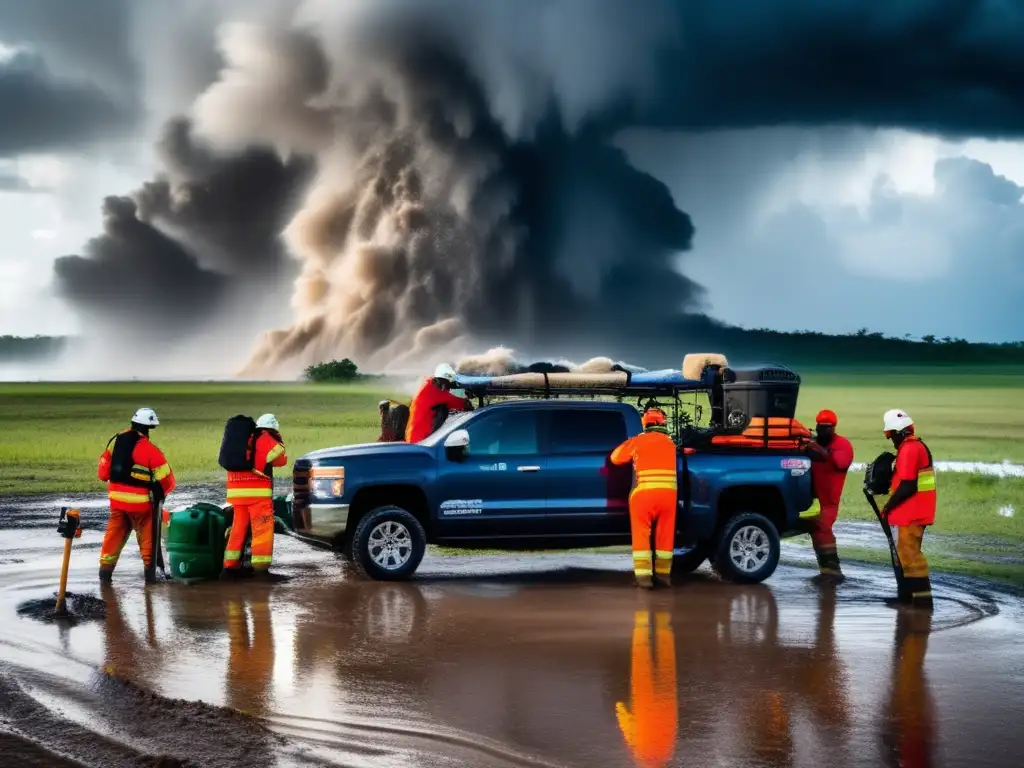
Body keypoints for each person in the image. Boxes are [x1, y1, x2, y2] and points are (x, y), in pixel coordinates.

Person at [97, 407, 176, 583]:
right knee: (148, 544)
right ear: (149, 429)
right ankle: (150, 578)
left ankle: (104, 576)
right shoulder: (149, 449)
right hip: (141, 506)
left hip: (117, 503)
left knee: (112, 539)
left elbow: (102, 474)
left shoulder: (114, 442)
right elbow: (168, 482)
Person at [610, 408, 677, 589]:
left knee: (641, 535)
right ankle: (664, 576)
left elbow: (615, 458)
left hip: (643, 496)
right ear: (663, 423)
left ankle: (644, 579)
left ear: (645, 424)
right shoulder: (670, 443)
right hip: (668, 497)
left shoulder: (638, 441)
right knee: (665, 536)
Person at [222, 413, 288, 580]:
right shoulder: (265, 438)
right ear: (273, 428)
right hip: (257, 494)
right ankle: (261, 569)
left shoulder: (244, 439)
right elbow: (281, 460)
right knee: (262, 529)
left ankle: (229, 567)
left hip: (237, 493)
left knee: (238, 528)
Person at [881, 409, 936, 609]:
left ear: (899, 432)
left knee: (911, 557)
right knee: (905, 556)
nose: (890, 439)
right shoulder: (911, 447)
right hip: (910, 512)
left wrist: (888, 506)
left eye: (890, 435)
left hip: (911, 513)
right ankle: (908, 598)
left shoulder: (910, 449)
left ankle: (922, 603)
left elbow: (908, 484)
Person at [806, 409, 854, 581]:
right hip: (812, 499)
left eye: (828, 427)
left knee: (823, 529)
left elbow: (841, 463)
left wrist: (820, 449)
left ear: (833, 428)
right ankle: (826, 570)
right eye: (821, 427)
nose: (824, 430)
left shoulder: (843, 445)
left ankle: (833, 572)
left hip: (829, 501)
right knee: (816, 530)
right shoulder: (811, 444)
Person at [405, 363, 472, 443]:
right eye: (444, 384)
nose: (444, 387)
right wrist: (468, 403)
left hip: (413, 436)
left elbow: (448, 400)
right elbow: (458, 402)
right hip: (420, 440)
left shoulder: (428, 384)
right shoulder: (433, 392)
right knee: (443, 409)